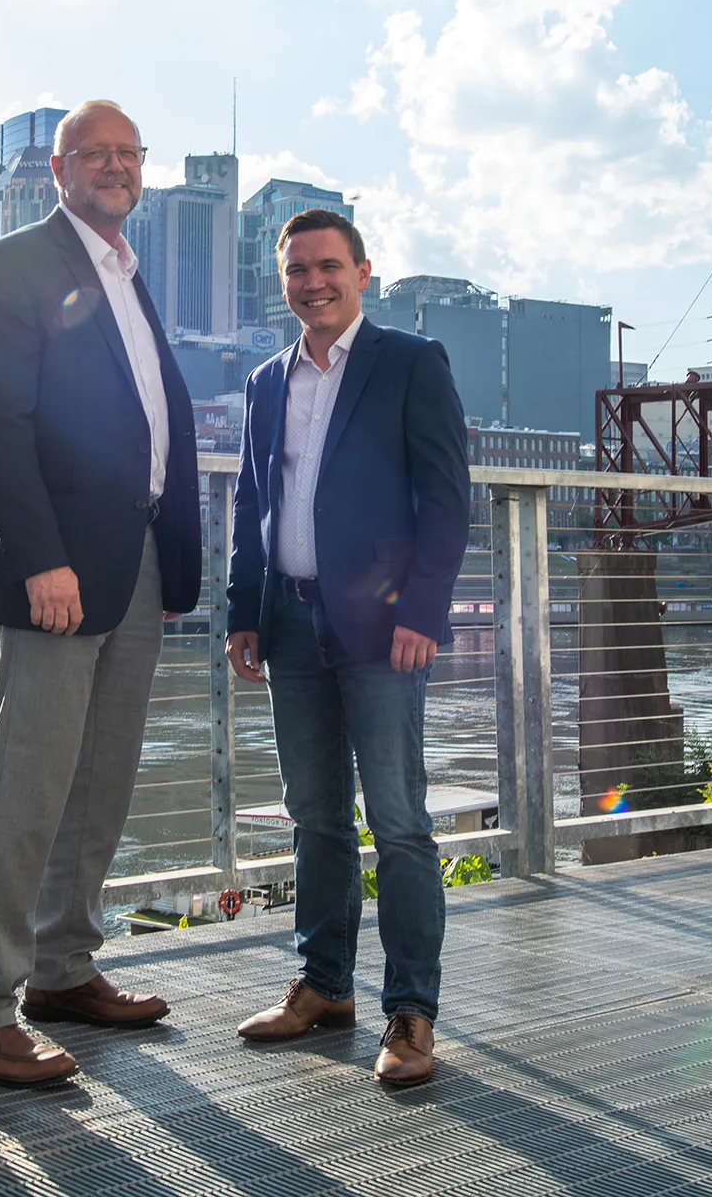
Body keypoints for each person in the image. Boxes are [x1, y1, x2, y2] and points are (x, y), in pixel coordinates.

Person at [0, 99, 202, 1087]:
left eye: (130, 152)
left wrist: (173, 565)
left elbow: (149, 423)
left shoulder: (129, 276)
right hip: (56, 565)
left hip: (132, 563)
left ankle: (61, 967)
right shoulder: (13, 266)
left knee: (103, 776)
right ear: (56, 167)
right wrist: (38, 555)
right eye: (96, 153)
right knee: (31, 780)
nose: (115, 167)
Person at [224, 209, 470, 1087]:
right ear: (283, 281)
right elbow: (254, 505)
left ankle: (412, 1013)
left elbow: (446, 499)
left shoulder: (410, 363)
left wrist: (423, 612)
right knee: (314, 815)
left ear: (364, 272)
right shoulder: (263, 383)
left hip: (380, 628)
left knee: (399, 821)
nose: (313, 283)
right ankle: (324, 986)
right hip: (286, 622)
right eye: (297, 270)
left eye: (329, 267)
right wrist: (240, 613)